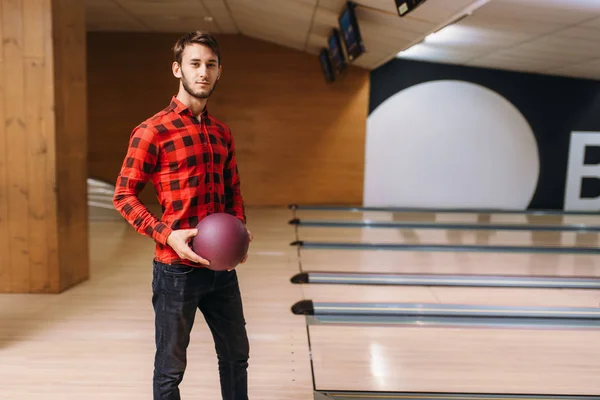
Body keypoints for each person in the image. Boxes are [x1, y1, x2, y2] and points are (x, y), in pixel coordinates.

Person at [112, 31, 252, 400]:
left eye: (210, 64)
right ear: (178, 69)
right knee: (170, 371)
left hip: (221, 271)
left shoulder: (222, 133)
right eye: (194, 64)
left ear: (219, 72)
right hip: (176, 269)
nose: (203, 72)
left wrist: (239, 229)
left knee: (237, 356)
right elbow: (124, 196)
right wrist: (166, 234)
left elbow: (232, 190)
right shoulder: (152, 131)